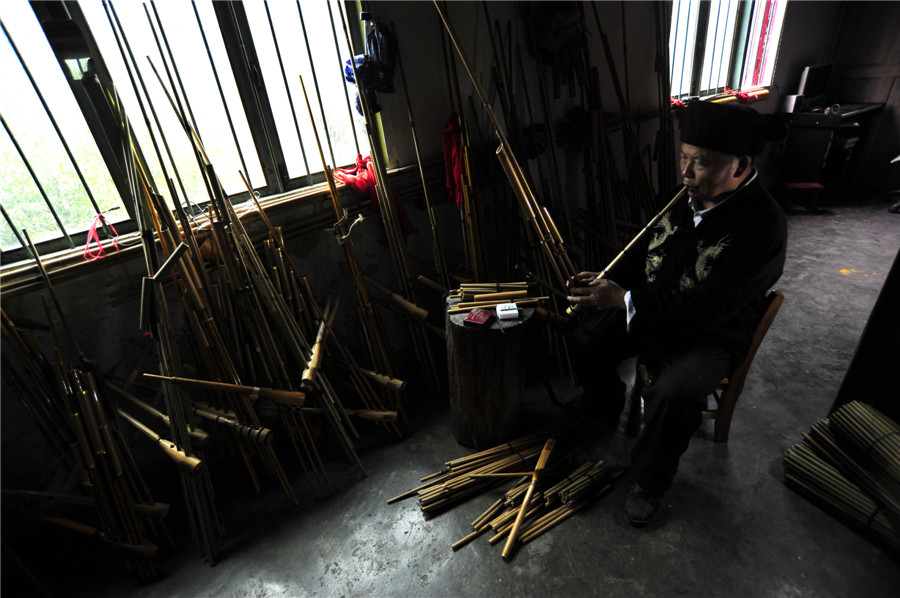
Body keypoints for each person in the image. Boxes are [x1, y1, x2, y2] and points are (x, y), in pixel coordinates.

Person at [564, 100, 788, 527]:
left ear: (739, 166)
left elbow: (704, 312)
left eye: (699, 164)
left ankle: (650, 480)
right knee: (585, 338)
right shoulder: (687, 196)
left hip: (711, 332)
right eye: (683, 159)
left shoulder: (762, 227)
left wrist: (625, 300)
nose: (684, 174)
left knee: (675, 390)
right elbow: (642, 255)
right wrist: (607, 280)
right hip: (651, 307)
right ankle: (605, 400)